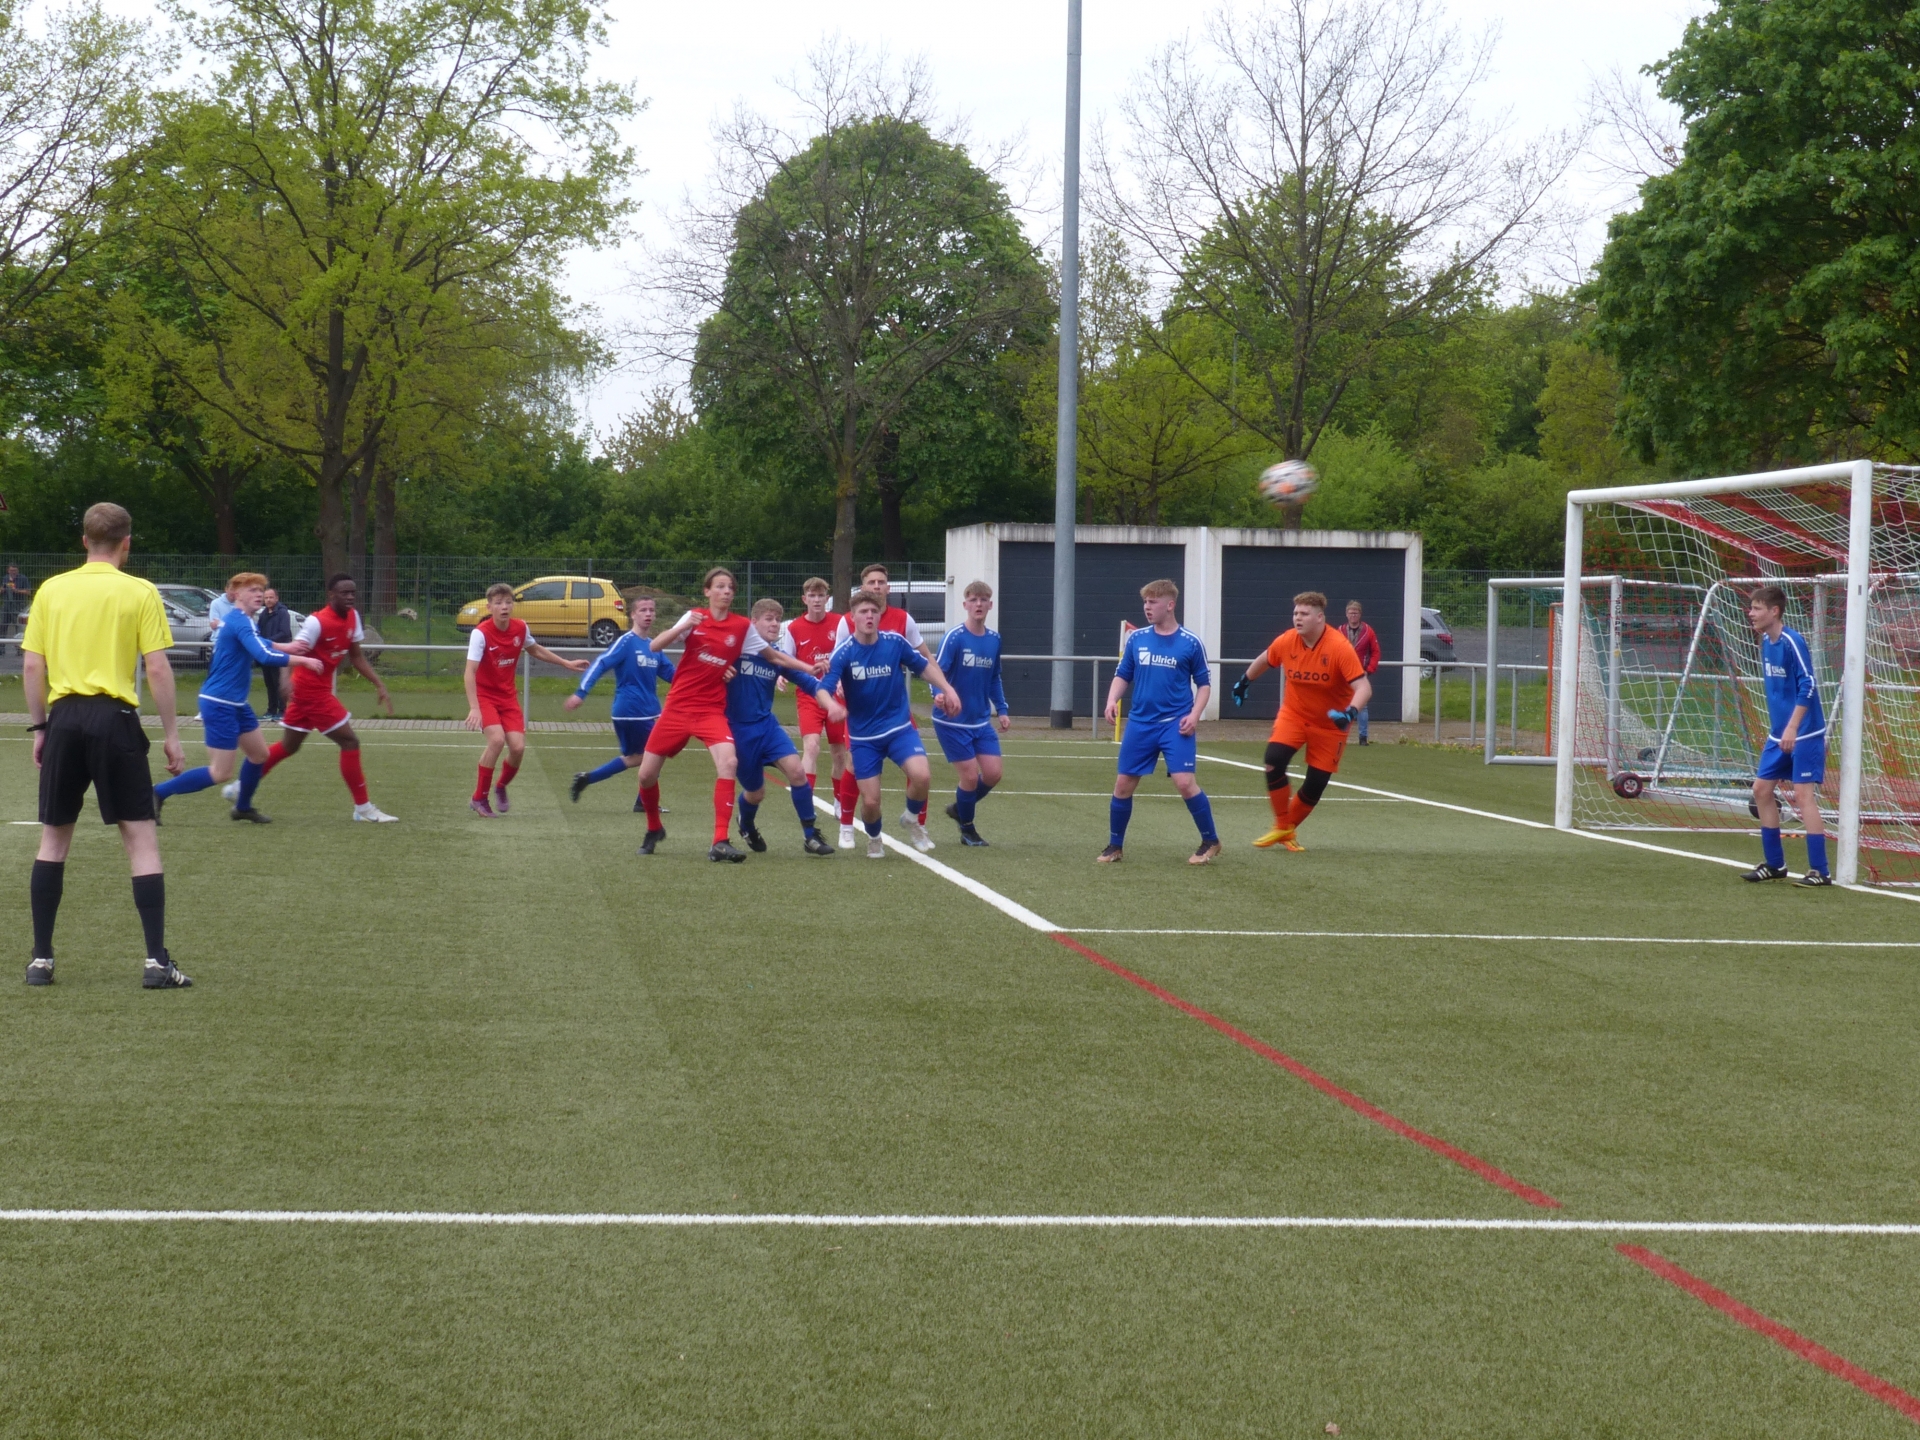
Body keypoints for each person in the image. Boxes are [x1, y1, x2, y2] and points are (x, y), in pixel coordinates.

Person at [22, 502, 191, 988]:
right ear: (126, 543)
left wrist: (41, 729)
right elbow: (156, 667)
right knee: (140, 838)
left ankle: (41, 961)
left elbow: (32, 666)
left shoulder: (52, 589)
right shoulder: (139, 591)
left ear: (84, 541)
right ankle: (156, 963)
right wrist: (172, 735)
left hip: (64, 718)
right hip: (115, 720)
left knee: (54, 838)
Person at [635, 567, 822, 860]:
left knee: (729, 762)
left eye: (730, 588)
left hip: (711, 710)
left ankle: (720, 841)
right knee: (646, 775)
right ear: (707, 591)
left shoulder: (741, 627)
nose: (726, 592)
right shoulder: (695, 617)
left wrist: (809, 668)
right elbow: (655, 646)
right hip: (678, 707)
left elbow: (774, 656)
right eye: (720, 586)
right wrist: (682, 627)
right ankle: (653, 827)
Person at [153, 572, 321, 824]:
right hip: (219, 702)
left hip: (235, 703)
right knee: (220, 772)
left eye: (261, 590)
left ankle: (242, 808)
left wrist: (286, 647)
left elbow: (257, 642)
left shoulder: (242, 620)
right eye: (252, 590)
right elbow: (263, 655)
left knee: (259, 755)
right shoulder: (240, 620)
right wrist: (303, 660)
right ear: (236, 594)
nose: (259, 595)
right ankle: (157, 793)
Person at [819, 591, 961, 859]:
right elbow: (822, 689)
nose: (869, 616)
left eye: (874, 611)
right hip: (864, 738)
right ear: (853, 617)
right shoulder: (844, 652)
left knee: (922, 776)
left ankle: (911, 818)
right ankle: (874, 837)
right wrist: (832, 706)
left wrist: (947, 688)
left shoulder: (895, 642)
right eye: (863, 612)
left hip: (899, 729)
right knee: (871, 802)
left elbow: (924, 667)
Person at [250, 573, 400, 822]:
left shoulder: (353, 617)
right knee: (350, 741)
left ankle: (243, 785)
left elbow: (356, 656)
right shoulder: (316, 622)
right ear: (331, 595)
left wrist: (379, 683)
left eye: (353, 592)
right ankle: (363, 809)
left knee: (289, 746)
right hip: (310, 691)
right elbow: (294, 650)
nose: (350, 597)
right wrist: (285, 678)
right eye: (344, 593)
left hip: (314, 691)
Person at [1231, 590, 1372, 853]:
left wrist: (1350, 712)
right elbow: (1266, 658)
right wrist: (1244, 681)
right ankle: (1282, 825)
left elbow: (1364, 687)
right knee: (1273, 760)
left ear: (1320, 617)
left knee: (1316, 783)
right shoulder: (1288, 640)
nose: (1298, 618)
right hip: (1294, 715)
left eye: (1304, 613)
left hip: (1330, 724)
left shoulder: (1339, 647)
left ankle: (1287, 830)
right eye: (1296, 613)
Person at [1099, 579, 1221, 865]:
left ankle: (1211, 841)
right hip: (1140, 723)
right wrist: (1111, 700)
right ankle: (1115, 846)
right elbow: (1123, 674)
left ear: (1170, 604)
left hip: (1175, 724)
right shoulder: (1137, 639)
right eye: (1145, 602)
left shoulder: (1190, 642)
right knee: (1123, 785)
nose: (1147, 607)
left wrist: (1194, 715)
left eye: (1153, 602)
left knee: (1184, 782)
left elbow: (1204, 685)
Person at [463, 582, 587, 816]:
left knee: (518, 748)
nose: (504, 607)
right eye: (498, 603)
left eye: (508, 602)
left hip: (508, 697)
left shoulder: (520, 628)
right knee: (497, 740)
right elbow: (470, 672)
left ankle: (501, 786)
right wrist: (474, 708)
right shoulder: (480, 633)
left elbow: (535, 649)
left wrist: (566, 663)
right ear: (489, 607)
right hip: (485, 697)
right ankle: (479, 798)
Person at [727, 599, 837, 857]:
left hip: (767, 727)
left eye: (778, 619)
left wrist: (831, 703)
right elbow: (706, 667)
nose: (775, 624)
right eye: (769, 619)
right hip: (739, 731)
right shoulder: (735, 651)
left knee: (797, 772)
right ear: (753, 622)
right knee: (756, 793)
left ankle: (810, 835)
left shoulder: (777, 656)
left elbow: (810, 683)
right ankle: (746, 824)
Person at [1742, 584, 1831, 886]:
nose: (1751, 613)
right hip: (1779, 735)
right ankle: (1774, 864)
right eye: (1751, 608)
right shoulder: (1767, 643)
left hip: (1804, 733)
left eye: (1757, 608)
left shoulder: (1793, 641)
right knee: (1761, 790)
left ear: (1774, 611)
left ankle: (1820, 871)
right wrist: (1783, 729)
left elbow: (1808, 684)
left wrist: (1793, 726)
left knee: (1804, 796)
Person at [566, 594, 675, 811]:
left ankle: (588, 778)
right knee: (655, 754)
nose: (648, 614)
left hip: (645, 712)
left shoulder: (653, 646)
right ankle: (643, 801)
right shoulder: (626, 642)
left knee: (636, 758)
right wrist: (581, 692)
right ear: (633, 615)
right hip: (632, 712)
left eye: (651, 610)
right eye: (643, 610)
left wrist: (703, 681)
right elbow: (601, 663)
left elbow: (674, 675)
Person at [859, 562, 937, 831]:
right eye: (871, 582)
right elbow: (837, 662)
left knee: (919, 770)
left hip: (895, 712)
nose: (876, 587)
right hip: (861, 713)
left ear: (888, 588)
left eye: (881, 582)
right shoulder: (850, 621)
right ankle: (847, 824)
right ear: (863, 587)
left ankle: (917, 823)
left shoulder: (903, 620)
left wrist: (942, 689)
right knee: (851, 765)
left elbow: (925, 659)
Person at [932, 580, 1010, 846]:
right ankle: (967, 829)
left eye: (983, 600)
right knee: (968, 776)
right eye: (973, 600)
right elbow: (936, 672)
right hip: (951, 721)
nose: (978, 604)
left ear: (991, 605)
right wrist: (938, 694)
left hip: (980, 721)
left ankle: (960, 808)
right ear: (965, 604)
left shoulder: (994, 639)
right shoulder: (954, 637)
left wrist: (1002, 709)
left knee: (993, 774)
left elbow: (994, 677)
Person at [783, 577, 859, 848]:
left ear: (827, 598)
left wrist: (841, 679)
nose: (816, 600)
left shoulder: (839, 623)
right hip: (809, 696)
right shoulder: (793, 628)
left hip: (836, 697)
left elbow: (850, 653)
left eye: (821, 595)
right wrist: (781, 676)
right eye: (812, 595)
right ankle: (807, 803)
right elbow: (785, 659)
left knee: (839, 752)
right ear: (804, 599)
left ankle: (839, 799)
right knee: (812, 746)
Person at [1341, 599, 1380, 744]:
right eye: (1351, 613)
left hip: (1360, 672)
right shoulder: (1340, 631)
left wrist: (1369, 670)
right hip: (1342, 673)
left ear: (1360, 614)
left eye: (1356, 613)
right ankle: (1340, 735)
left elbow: (1376, 652)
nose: (1353, 616)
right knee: (1341, 703)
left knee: (1362, 706)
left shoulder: (1368, 631)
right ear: (1346, 614)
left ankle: (1363, 737)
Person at [256, 586, 294, 722]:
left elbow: (284, 633)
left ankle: (282, 710)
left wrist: (268, 642)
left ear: (276, 598)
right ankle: (271, 710)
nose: (268, 600)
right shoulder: (263, 614)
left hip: (279, 652)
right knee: (269, 682)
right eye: (266, 598)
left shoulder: (283, 613)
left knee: (279, 682)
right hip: (266, 654)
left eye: (271, 597)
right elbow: (259, 630)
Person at [1, 563, 28, 639]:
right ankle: (2, 644)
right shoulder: (5, 578)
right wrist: (2, 589)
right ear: (8, 571)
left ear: (18, 570)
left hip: (18, 605)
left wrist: (16, 591)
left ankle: (18, 645)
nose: (13, 572)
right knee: (2, 625)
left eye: (15, 570)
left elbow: (28, 592)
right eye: (11, 570)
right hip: (6, 606)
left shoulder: (23, 578)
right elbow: (1, 589)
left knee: (18, 626)